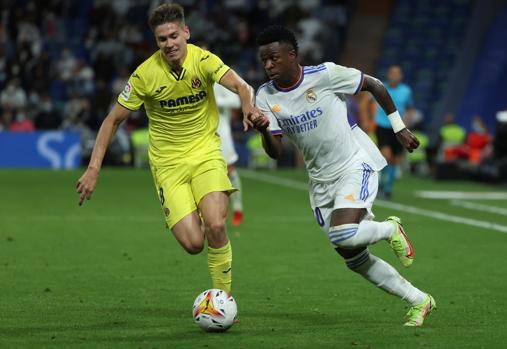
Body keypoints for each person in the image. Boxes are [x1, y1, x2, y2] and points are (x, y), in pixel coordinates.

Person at [249, 25, 435, 327]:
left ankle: (389, 229)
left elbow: (374, 85)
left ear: (292, 55)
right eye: (263, 61)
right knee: (353, 258)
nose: (268, 65)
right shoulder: (265, 97)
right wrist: (263, 132)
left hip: (354, 163)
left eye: (273, 58)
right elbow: (275, 151)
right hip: (320, 182)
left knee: (342, 232)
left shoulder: (324, 75)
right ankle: (419, 300)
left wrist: (398, 127)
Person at [76, 3, 265, 294]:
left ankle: (223, 298)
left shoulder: (204, 60)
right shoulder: (145, 75)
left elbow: (242, 86)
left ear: (186, 32)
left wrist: (248, 108)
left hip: (205, 154)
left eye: (174, 36)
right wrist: (93, 169)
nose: (169, 43)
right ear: (156, 41)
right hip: (168, 164)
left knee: (215, 225)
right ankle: (200, 210)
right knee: (193, 244)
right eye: (162, 39)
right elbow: (112, 121)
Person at [374, 65, 415, 199]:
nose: (394, 76)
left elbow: (410, 108)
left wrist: (406, 124)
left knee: (395, 160)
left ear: (401, 76)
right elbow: (370, 103)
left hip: (398, 128)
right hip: (383, 126)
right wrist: (369, 120)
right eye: (392, 73)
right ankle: (381, 184)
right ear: (388, 75)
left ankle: (388, 189)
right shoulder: (380, 87)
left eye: (397, 74)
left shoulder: (406, 91)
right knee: (386, 155)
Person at [214, 83, 244, 226]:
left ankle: (238, 209)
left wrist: (215, 101)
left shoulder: (217, 80)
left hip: (222, 133)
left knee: (229, 170)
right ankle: (217, 212)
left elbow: (236, 101)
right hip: (201, 135)